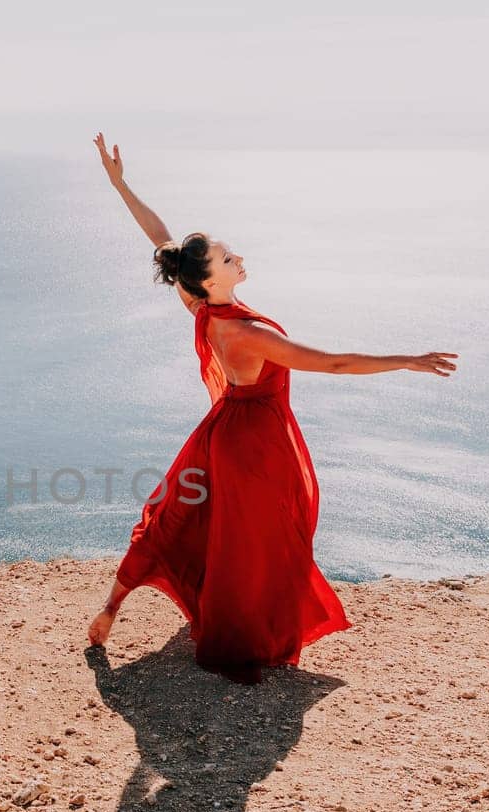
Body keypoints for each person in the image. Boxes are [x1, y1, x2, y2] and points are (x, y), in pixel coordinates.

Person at [85, 133, 459, 683]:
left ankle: (112, 607)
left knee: (180, 517)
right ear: (211, 278)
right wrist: (407, 359)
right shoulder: (247, 332)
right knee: (260, 539)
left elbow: (162, 241)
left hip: (221, 431)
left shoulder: (203, 306)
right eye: (228, 257)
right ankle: (242, 632)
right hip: (256, 443)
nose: (239, 258)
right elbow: (330, 364)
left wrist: (120, 185)